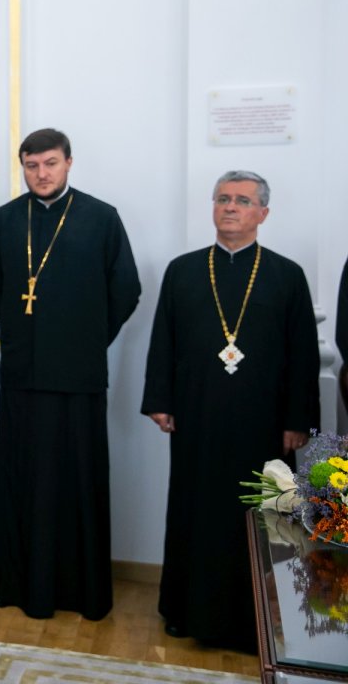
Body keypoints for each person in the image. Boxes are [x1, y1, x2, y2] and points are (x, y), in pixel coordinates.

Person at [141, 170, 318, 652]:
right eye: (222, 198)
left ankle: (264, 620)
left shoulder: (286, 274)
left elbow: (303, 354)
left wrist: (298, 420)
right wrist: (159, 401)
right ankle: (186, 611)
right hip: (197, 417)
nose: (230, 207)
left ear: (263, 212)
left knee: (267, 514)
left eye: (242, 200)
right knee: (195, 512)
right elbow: (164, 340)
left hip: (265, 424)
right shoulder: (184, 270)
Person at [0, 127, 140, 621]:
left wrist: (84, 338)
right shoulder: (5, 220)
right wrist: (34, 336)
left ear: (69, 163)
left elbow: (126, 290)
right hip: (25, 374)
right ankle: (17, 584)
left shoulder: (100, 217)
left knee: (77, 482)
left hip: (79, 376)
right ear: (22, 167)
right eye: (31, 165)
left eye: (50, 163)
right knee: (21, 480)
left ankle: (82, 591)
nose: (41, 174)